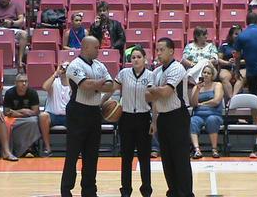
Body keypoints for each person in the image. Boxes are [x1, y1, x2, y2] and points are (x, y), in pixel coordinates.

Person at [61, 36, 113, 197]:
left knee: (92, 154)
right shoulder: (74, 66)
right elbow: (84, 85)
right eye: (96, 47)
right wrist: (99, 83)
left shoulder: (99, 65)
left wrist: (95, 84)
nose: (99, 50)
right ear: (85, 48)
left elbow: (111, 85)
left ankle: (89, 190)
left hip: (94, 112)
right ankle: (66, 189)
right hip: (77, 111)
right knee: (73, 152)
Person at [145, 38, 194, 197]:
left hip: (178, 116)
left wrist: (154, 89)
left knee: (180, 159)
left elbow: (165, 93)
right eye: (157, 50)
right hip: (162, 117)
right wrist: (153, 120)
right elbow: (149, 97)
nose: (158, 53)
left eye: (162, 50)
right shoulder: (156, 72)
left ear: (172, 51)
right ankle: (172, 192)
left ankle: (185, 193)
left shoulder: (178, 68)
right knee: (167, 159)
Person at [103, 45, 154, 197]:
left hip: (144, 118)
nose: (136, 60)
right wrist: (101, 102)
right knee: (126, 157)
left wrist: (155, 121)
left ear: (145, 59)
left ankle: (146, 190)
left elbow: (154, 99)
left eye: (139, 57)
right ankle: (125, 191)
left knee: (145, 157)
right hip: (126, 118)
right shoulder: (124, 73)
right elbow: (112, 90)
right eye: (133, 57)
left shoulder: (151, 75)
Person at [3, 74, 41, 157]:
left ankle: (29, 148)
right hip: (14, 119)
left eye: (26, 81)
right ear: (15, 83)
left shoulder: (32, 93)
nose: (24, 83)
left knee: (34, 121)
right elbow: (6, 112)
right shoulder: (9, 93)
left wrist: (16, 113)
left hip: (27, 119)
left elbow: (35, 112)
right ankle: (17, 150)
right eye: (21, 81)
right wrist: (22, 111)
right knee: (6, 122)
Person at [190, 65, 224, 159]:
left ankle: (214, 149)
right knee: (192, 121)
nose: (206, 75)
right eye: (204, 72)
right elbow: (193, 103)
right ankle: (197, 150)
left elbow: (216, 101)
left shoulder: (217, 85)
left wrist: (202, 103)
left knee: (211, 120)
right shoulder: (196, 87)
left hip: (214, 114)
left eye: (208, 73)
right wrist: (197, 89)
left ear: (212, 75)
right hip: (198, 114)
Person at [39, 62, 70, 157]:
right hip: (52, 115)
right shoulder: (54, 82)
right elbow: (44, 87)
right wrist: (56, 74)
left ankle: (74, 149)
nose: (64, 69)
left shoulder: (74, 84)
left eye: (67, 67)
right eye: (63, 67)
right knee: (43, 116)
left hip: (68, 116)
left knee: (79, 117)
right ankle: (47, 148)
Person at [218, 25, 246, 99]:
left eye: (240, 34)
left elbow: (248, 59)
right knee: (223, 77)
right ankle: (231, 98)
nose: (238, 36)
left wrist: (238, 61)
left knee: (242, 77)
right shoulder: (224, 45)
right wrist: (228, 62)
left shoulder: (245, 46)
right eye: (236, 34)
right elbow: (219, 59)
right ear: (231, 35)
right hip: (227, 67)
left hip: (241, 67)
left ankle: (233, 98)